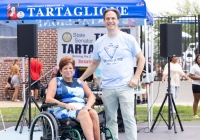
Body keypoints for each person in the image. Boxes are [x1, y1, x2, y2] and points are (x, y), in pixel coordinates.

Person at [80, 8, 145, 140]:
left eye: (113, 18)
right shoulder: (99, 42)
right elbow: (94, 64)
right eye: (108, 19)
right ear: (104, 21)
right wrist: (80, 79)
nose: (110, 21)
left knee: (129, 119)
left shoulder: (128, 39)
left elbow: (141, 59)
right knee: (110, 120)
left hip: (125, 86)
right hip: (108, 87)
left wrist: (136, 77)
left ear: (118, 20)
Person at [46, 56, 100, 140]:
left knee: (93, 113)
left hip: (81, 108)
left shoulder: (79, 81)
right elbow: (48, 99)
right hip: (63, 108)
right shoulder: (56, 81)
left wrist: (87, 107)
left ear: (74, 70)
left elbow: (92, 96)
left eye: (70, 68)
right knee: (84, 114)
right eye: (65, 68)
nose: (68, 70)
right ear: (60, 71)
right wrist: (65, 105)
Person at [189, 54, 200, 118]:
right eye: (198, 58)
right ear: (196, 59)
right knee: (196, 99)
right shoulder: (194, 67)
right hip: (196, 85)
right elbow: (192, 76)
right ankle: (195, 114)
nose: (199, 59)